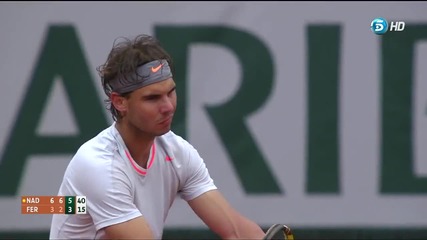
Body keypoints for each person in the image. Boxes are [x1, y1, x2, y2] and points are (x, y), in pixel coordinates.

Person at [49, 34, 266, 239]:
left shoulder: (177, 152)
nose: (168, 107)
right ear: (120, 102)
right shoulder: (99, 166)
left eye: (170, 92)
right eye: (152, 98)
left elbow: (237, 232)